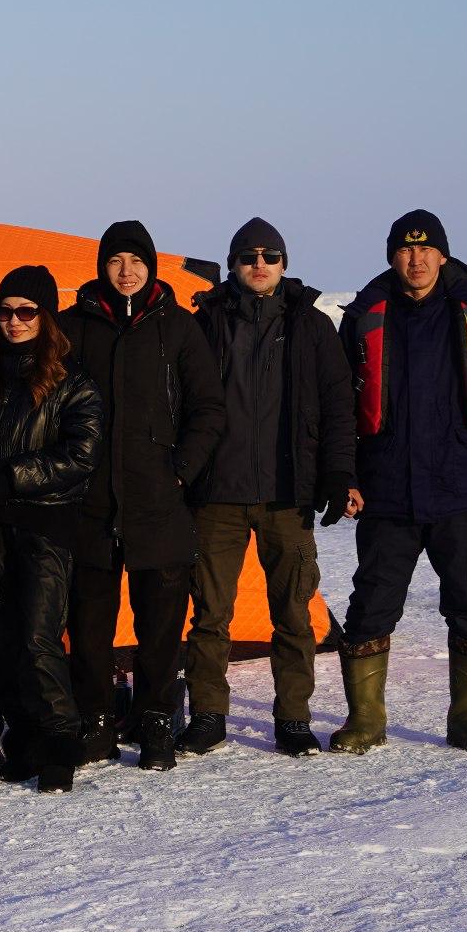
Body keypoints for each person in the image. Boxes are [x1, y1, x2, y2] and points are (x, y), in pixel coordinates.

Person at [331, 210, 467, 756]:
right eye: (404, 250)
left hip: (463, 485)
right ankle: (365, 720)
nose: (416, 259)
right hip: (386, 488)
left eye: (426, 251)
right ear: (391, 256)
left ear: (442, 256)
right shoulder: (365, 315)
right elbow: (338, 408)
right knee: (371, 602)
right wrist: (344, 477)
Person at [182, 221, 356, 759]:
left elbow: (337, 407)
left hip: (288, 494)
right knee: (210, 613)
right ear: (232, 263)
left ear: (284, 262)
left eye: (270, 255)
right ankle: (208, 715)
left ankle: (294, 717)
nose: (260, 264)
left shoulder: (311, 327)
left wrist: (338, 476)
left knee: (294, 612)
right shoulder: (205, 322)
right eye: (248, 256)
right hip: (218, 494)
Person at [57, 221, 226, 773]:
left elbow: (208, 409)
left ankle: (156, 717)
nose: (126, 272)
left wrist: (181, 470)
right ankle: (97, 720)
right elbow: (49, 404)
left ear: (151, 267)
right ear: (101, 268)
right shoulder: (73, 327)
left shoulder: (178, 329)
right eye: (115, 262)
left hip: (159, 500)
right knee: (88, 624)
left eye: (135, 261)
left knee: (159, 621)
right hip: (91, 501)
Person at [0, 266, 104, 791]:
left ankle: (61, 738)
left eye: (26, 312)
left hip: (45, 524)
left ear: (45, 318)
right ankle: (25, 739)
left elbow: (80, 454)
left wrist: (8, 479)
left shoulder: (71, 383)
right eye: (5, 312)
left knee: (37, 635)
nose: (13, 321)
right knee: (2, 637)